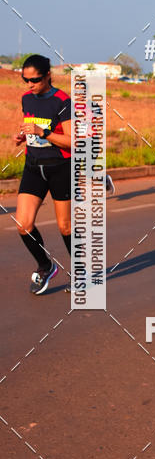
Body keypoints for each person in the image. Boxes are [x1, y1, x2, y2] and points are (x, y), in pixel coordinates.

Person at [14, 55, 72, 293]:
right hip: (33, 166)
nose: (29, 85)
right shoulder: (26, 98)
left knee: (65, 227)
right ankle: (45, 265)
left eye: (35, 80)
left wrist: (43, 132)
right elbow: (31, 128)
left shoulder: (63, 101)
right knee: (23, 224)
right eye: (25, 80)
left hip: (60, 168)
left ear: (48, 75)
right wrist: (23, 137)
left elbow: (72, 142)